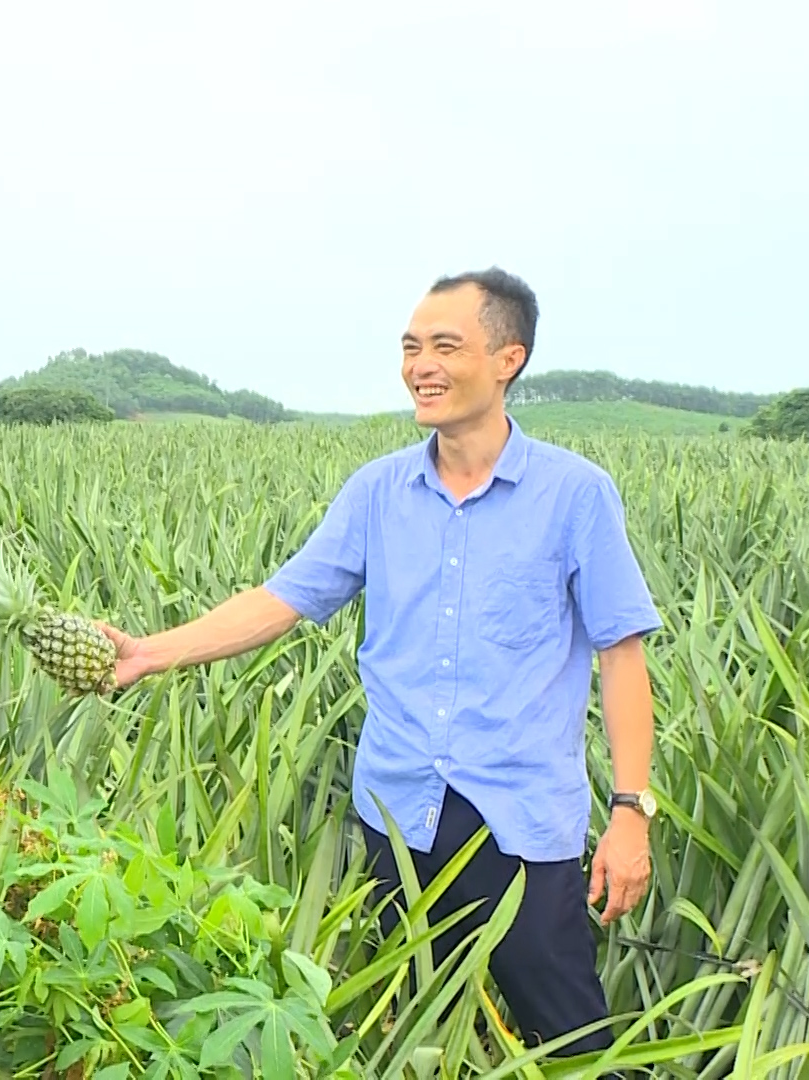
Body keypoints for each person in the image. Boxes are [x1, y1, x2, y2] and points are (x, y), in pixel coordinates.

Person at [100, 269, 660, 1054]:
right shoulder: (378, 492)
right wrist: (148, 653)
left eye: (445, 345)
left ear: (508, 358)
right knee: (404, 1035)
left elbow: (621, 652)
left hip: (522, 824)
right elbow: (281, 600)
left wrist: (630, 811)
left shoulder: (575, 495)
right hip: (398, 816)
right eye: (410, 347)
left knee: (568, 1044)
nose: (420, 365)